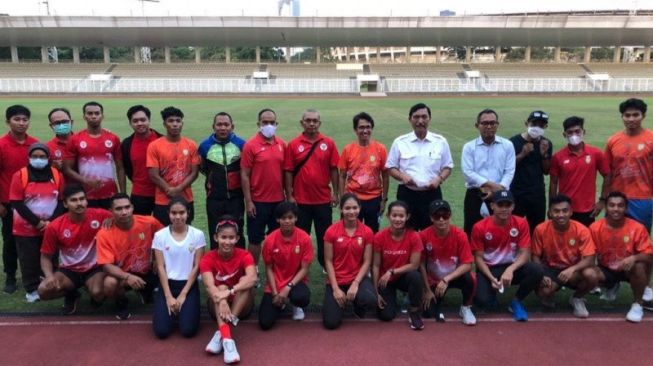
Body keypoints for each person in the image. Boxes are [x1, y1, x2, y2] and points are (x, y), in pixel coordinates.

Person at [605, 98, 653, 304]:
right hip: (616, 199)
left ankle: (645, 285)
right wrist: (604, 199)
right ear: (622, 117)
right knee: (611, 242)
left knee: (641, 247)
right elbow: (608, 173)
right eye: (627, 115)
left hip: (642, 199)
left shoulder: (651, 138)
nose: (631, 119)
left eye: (635, 115)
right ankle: (612, 281)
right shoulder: (613, 140)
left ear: (643, 116)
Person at [38, 185, 112, 314]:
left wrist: (112, 219)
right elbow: (45, 257)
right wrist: (49, 276)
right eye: (74, 200)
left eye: (82, 199)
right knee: (43, 291)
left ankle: (94, 295)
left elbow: (122, 217)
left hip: (94, 268)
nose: (79, 203)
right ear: (65, 204)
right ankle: (72, 294)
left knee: (98, 292)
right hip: (68, 270)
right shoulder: (55, 226)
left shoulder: (101, 215)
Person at [471, 190, 543, 321]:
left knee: (536, 270)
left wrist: (510, 269)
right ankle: (491, 293)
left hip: (513, 268)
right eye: (500, 205)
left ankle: (516, 302)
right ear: (492, 206)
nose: (504, 209)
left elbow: (525, 253)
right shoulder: (479, 227)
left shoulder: (521, 223)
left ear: (513, 206)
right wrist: (491, 278)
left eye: (507, 205)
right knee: (481, 301)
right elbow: (478, 258)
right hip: (490, 269)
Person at [284, 109, 339, 268]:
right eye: (308, 120)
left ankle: (325, 264)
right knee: (301, 237)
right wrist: (289, 194)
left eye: (315, 121)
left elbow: (334, 168)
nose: (312, 123)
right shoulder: (294, 144)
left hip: (323, 199)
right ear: (302, 123)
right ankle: (299, 265)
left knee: (325, 236)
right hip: (301, 201)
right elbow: (288, 170)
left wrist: (336, 193)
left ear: (319, 123)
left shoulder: (328, 143)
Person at [10, 143, 64, 302]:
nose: (38, 160)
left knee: (51, 256)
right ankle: (32, 289)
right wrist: (37, 222)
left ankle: (51, 285)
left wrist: (50, 222)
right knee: (29, 259)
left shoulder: (56, 174)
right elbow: (16, 202)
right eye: (34, 157)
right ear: (29, 157)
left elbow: (61, 201)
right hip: (25, 228)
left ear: (48, 158)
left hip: (51, 227)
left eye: (42, 157)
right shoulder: (20, 175)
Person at [386, 103, 454, 231]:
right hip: (407, 194)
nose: (420, 121)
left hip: (432, 194)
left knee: (432, 231)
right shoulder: (400, 142)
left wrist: (439, 179)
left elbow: (448, 167)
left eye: (424, 117)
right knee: (406, 231)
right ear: (410, 119)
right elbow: (390, 167)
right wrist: (401, 175)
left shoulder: (440, 141)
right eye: (416, 117)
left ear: (429, 119)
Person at [96, 193, 164, 320]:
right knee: (109, 284)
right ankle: (121, 302)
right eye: (119, 209)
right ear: (111, 211)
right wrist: (128, 277)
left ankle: (148, 291)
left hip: (148, 270)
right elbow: (106, 266)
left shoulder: (149, 222)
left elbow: (165, 239)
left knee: (168, 263)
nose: (124, 212)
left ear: (132, 207)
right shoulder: (104, 234)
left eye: (127, 207)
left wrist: (156, 258)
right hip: (123, 275)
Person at [588, 191, 653, 323]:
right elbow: (587, 253)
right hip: (606, 268)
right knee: (588, 273)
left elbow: (650, 256)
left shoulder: (638, 228)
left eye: (620, 205)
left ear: (626, 208)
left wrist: (634, 258)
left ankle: (637, 304)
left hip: (628, 269)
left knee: (640, 266)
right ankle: (610, 285)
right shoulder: (595, 228)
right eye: (612, 205)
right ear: (606, 207)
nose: (616, 209)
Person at [531, 195, 598, 318]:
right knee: (544, 293)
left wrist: (572, 269)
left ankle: (577, 298)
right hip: (550, 269)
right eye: (556, 211)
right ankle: (549, 294)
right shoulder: (540, 229)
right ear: (550, 213)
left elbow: (590, 258)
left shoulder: (581, 230)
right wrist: (542, 274)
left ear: (571, 212)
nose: (561, 215)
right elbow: (535, 256)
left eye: (565, 211)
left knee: (592, 275)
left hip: (573, 271)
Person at [201, 218, 256, 364]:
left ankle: (222, 333)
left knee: (244, 284)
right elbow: (209, 286)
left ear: (237, 238)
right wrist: (223, 298)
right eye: (223, 237)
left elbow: (252, 278)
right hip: (217, 306)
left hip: (242, 305)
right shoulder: (207, 258)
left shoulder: (245, 255)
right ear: (216, 237)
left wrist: (230, 292)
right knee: (220, 287)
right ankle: (228, 341)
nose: (227, 241)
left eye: (231, 237)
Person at [152, 197, 205, 339]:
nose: (178, 217)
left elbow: (197, 266)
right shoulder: (159, 235)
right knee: (162, 332)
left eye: (182, 213)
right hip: (167, 285)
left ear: (188, 213)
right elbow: (160, 267)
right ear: (168, 213)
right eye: (173, 213)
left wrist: (183, 295)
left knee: (188, 331)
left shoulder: (198, 235)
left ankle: (182, 310)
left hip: (188, 285)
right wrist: (169, 297)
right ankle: (171, 309)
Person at [322, 193, 377, 330]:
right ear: (341, 210)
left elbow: (367, 261)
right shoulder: (331, 231)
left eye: (354, 208)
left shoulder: (367, 232)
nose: (351, 212)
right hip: (337, 280)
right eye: (347, 208)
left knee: (370, 300)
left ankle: (357, 305)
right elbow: (328, 261)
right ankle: (342, 300)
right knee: (331, 323)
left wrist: (356, 283)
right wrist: (335, 288)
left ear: (360, 208)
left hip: (357, 278)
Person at [0, 105, 39, 294]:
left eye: (25, 119)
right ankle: (10, 276)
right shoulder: (1, 145)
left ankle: (35, 274)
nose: (22, 123)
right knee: (10, 241)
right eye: (17, 119)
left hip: (33, 203)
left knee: (34, 240)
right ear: (8, 121)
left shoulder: (35, 144)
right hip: (8, 204)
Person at [419, 199, 477, 325]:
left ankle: (465, 307)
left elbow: (467, 264)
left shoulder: (460, 235)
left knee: (470, 278)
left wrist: (446, 279)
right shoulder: (423, 236)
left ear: (450, 215)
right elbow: (421, 264)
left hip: (454, 277)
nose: (441, 220)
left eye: (445, 215)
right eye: (437, 216)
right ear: (431, 218)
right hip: (433, 280)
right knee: (428, 312)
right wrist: (427, 290)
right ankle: (437, 303)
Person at [241, 108, 287, 265]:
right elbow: (245, 175)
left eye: (272, 122)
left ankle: (276, 268)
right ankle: (252, 270)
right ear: (258, 124)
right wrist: (249, 201)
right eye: (265, 122)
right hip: (258, 201)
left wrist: (288, 196)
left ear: (277, 124)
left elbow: (285, 172)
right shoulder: (250, 145)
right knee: (255, 239)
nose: (269, 125)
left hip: (278, 201)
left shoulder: (281, 144)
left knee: (277, 238)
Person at [259, 202, 314, 330]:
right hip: (275, 284)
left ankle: (296, 305)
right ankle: (280, 303)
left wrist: (287, 288)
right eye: (283, 218)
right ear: (278, 219)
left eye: (290, 217)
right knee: (265, 323)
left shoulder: (305, 238)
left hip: (296, 283)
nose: (287, 221)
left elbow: (305, 268)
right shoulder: (270, 240)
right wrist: (274, 293)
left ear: (296, 218)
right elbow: (268, 268)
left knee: (302, 297)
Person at [461, 109, 515, 237]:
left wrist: (499, 188)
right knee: (472, 230)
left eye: (492, 123)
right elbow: (468, 172)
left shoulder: (507, 145)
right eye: (484, 123)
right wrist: (492, 185)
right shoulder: (469, 147)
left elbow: (509, 171)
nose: (489, 126)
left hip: (501, 194)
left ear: (498, 124)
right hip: (475, 194)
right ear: (477, 125)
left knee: (501, 230)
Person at [63, 101, 125, 209]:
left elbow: (120, 168)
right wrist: (86, 181)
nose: (93, 116)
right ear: (84, 116)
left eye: (97, 113)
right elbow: (67, 169)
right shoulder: (75, 139)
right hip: (86, 195)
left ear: (102, 116)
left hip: (110, 193)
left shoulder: (113, 138)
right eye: (90, 113)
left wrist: (123, 194)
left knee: (109, 224)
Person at [549, 116, 611, 227]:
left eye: (577, 131)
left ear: (584, 132)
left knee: (585, 241)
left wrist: (602, 200)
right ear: (564, 135)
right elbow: (553, 182)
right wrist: (552, 206)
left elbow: (607, 175)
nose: (574, 135)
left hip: (587, 209)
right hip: (564, 209)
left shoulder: (595, 153)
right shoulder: (558, 157)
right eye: (570, 132)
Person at [373, 201, 424, 330]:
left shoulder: (414, 236)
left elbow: (414, 265)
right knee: (386, 316)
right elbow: (375, 265)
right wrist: (376, 292)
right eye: (394, 215)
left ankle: (414, 311)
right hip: (385, 281)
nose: (397, 219)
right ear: (388, 216)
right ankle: (392, 300)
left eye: (401, 216)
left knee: (416, 276)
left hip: (402, 276)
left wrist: (392, 271)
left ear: (407, 217)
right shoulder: (379, 236)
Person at [198, 112, 246, 249]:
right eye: (219, 124)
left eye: (226, 124)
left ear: (232, 126)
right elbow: (203, 168)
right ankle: (216, 265)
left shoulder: (241, 144)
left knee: (238, 231)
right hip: (214, 198)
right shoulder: (205, 146)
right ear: (213, 126)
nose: (223, 128)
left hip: (236, 198)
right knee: (215, 231)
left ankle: (240, 263)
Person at [146, 106, 200, 226]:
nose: (175, 124)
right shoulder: (154, 146)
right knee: (163, 231)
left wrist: (178, 189)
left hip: (186, 198)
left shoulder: (191, 144)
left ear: (182, 123)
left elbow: (194, 172)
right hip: (163, 199)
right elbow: (153, 175)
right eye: (171, 121)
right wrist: (169, 190)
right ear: (164, 124)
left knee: (185, 230)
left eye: (178, 121)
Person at [338, 112, 389, 233]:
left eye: (368, 127)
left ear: (371, 129)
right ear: (355, 130)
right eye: (361, 127)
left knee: (372, 232)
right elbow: (342, 176)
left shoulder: (380, 149)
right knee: (351, 231)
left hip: (374, 199)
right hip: (353, 198)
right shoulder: (348, 149)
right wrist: (343, 199)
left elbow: (385, 176)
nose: (365, 130)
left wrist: (384, 200)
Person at [510, 110, 553, 233]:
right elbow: (507, 167)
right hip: (517, 192)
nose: (537, 128)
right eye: (534, 124)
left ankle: (535, 252)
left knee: (537, 229)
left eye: (541, 125)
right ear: (526, 123)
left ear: (545, 127)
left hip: (537, 194)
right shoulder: (513, 142)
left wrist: (544, 155)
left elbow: (546, 171)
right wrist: (523, 154)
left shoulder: (546, 143)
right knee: (514, 228)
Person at [121, 105, 162, 216]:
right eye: (135, 121)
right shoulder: (126, 144)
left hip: (161, 194)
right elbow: (126, 168)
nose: (139, 123)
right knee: (141, 230)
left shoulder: (162, 140)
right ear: (130, 123)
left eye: (143, 120)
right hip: (139, 194)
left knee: (162, 229)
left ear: (149, 120)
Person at [46, 107, 74, 173]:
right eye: (57, 123)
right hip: (60, 183)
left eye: (65, 121)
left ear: (71, 122)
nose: (61, 125)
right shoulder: (47, 147)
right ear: (51, 126)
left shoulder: (81, 141)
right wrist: (52, 167)